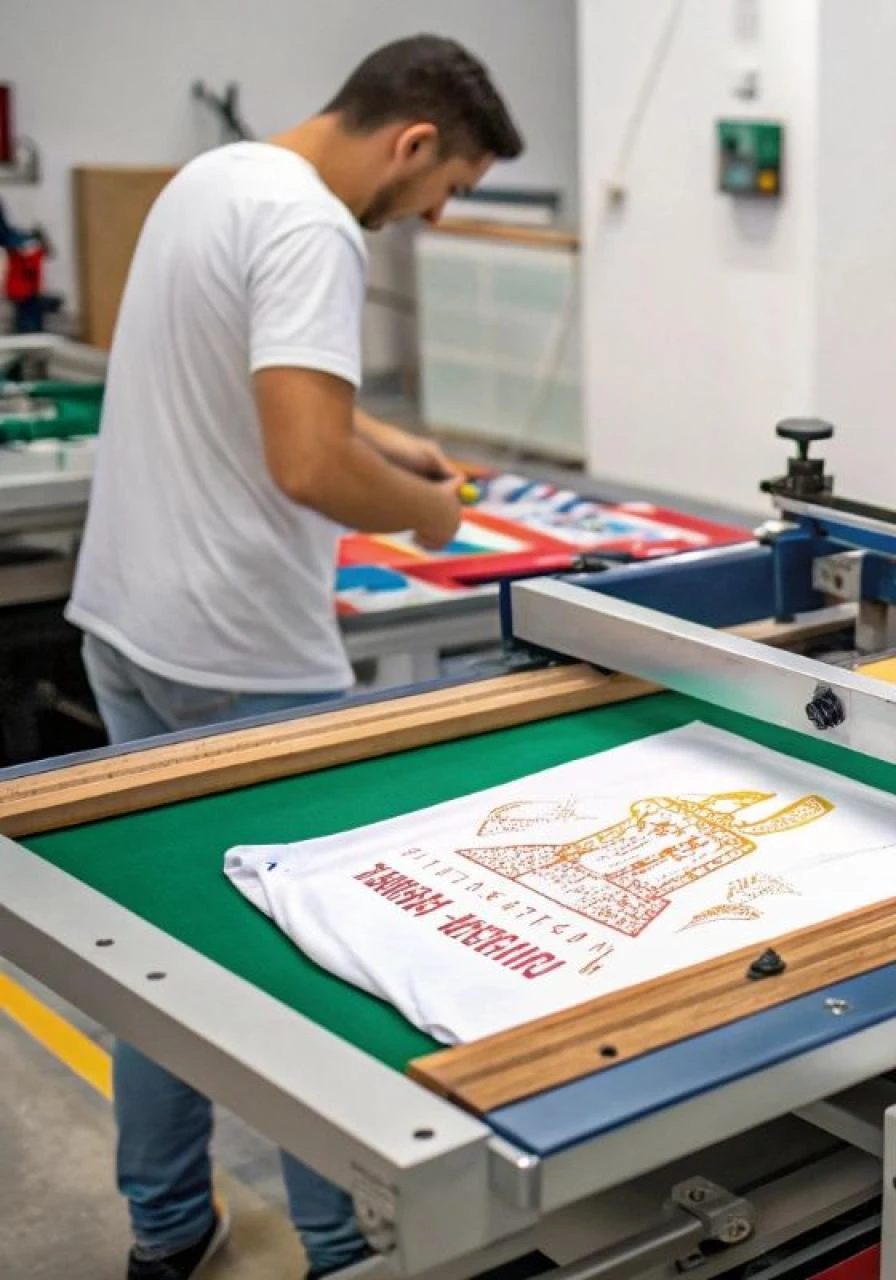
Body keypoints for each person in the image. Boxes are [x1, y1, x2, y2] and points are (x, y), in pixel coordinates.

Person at [65, 36, 523, 1280]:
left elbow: (255, 377)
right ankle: (345, 1245)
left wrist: (385, 436)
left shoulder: (215, 178)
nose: (436, 216)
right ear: (413, 141)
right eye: (448, 187)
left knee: (163, 954)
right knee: (313, 972)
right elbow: (308, 463)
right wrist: (427, 511)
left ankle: (168, 1230)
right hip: (243, 655)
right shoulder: (318, 226)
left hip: (130, 625)